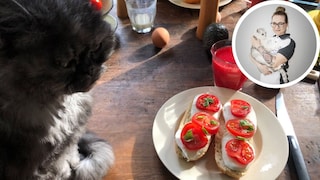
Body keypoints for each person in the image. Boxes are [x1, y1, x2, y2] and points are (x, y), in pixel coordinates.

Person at [251, 6, 296, 84]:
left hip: (278, 82)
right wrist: (260, 66)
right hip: (263, 79)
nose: (276, 27)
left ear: (286, 24)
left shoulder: (288, 42)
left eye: (280, 24)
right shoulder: (270, 39)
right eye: (274, 23)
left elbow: (274, 63)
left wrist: (258, 46)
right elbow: (251, 55)